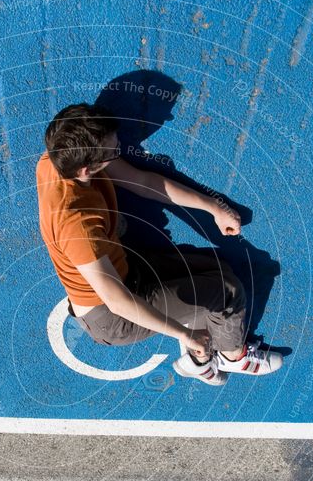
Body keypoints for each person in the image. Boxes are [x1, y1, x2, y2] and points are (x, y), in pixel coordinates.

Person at [36, 102, 282, 386]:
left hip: (125, 268)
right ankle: (229, 356)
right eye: (112, 152)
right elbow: (119, 302)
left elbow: (143, 181)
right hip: (111, 314)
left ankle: (196, 352)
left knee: (217, 268)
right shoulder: (77, 225)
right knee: (227, 294)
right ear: (86, 170)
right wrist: (183, 334)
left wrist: (213, 207)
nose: (119, 149)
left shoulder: (55, 159)